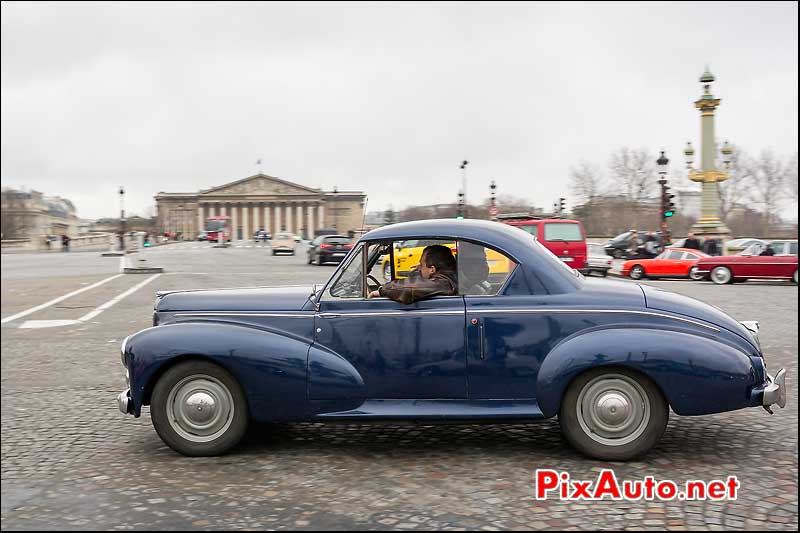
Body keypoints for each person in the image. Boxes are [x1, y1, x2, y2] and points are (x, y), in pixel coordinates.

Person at [367, 245, 457, 304]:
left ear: (432, 269)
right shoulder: (448, 277)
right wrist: (419, 269)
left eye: (421, 265)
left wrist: (381, 291)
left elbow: (408, 289)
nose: (419, 268)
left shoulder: (442, 283)